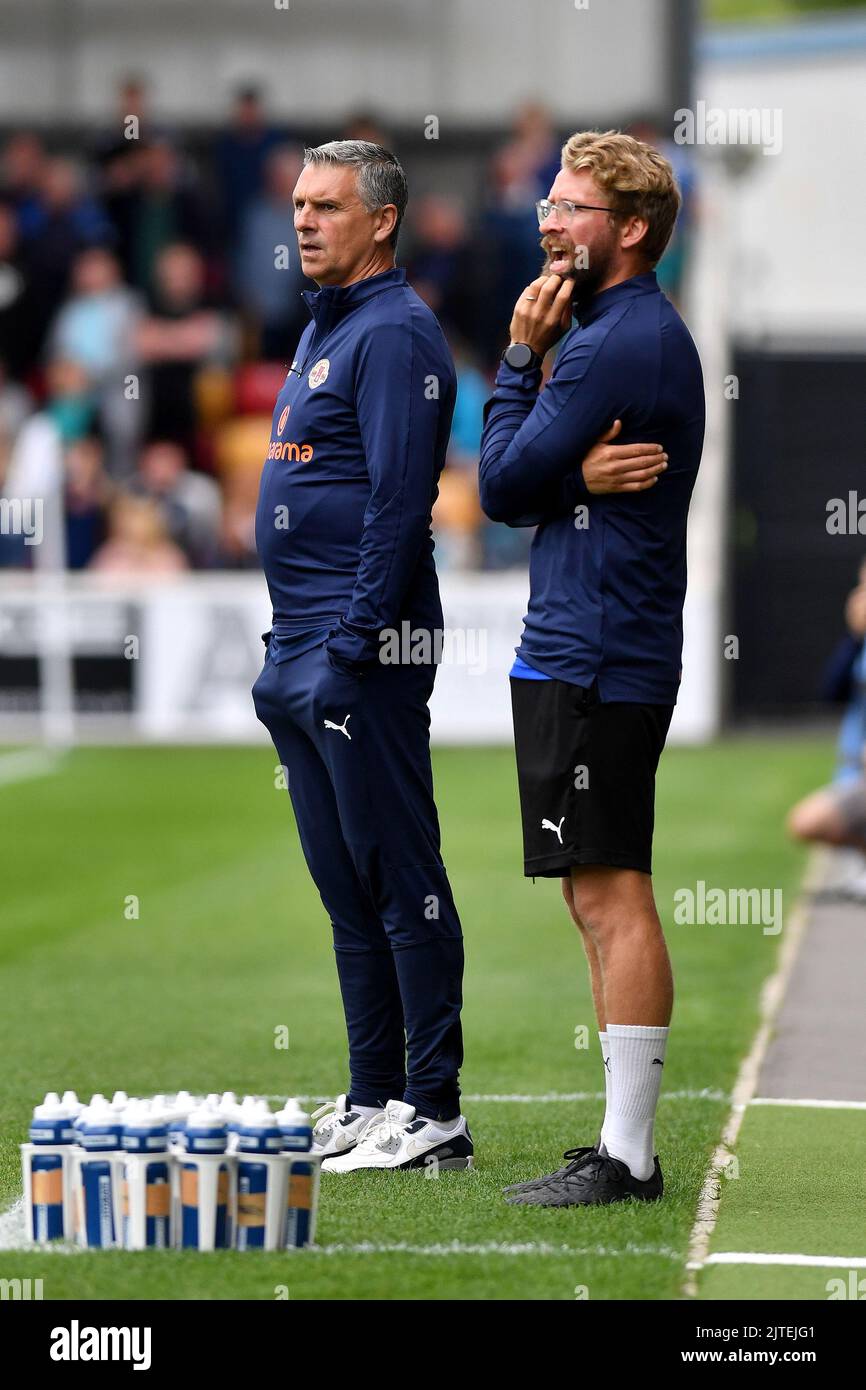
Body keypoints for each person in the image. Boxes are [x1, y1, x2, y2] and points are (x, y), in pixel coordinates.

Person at [479, 129, 705, 1208]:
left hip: (603, 649)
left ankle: (630, 1157)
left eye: (571, 206)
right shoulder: (602, 325)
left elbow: (498, 482)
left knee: (611, 890)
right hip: (577, 641)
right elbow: (531, 485)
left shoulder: (617, 338)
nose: (546, 218)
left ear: (630, 230)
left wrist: (519, 361)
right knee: (590, 891)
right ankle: (618, 1143)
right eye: (547, 199)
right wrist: (570, 472)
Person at [251, 141, 471, 1173]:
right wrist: (285, 642)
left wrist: (348, 642)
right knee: (345, 887)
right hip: (297, 646)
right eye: (298, 203)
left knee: (399, 876)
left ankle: (433, 1112)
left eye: (326, 205)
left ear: (381, 220)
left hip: (359, 649)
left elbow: (397, 503)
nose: (303, 220)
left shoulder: (395, 332)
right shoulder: (321, 326)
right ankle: (372, 1092)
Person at [787, 559, 866, 883]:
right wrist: (854, 638)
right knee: (804, 822)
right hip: (854, 772)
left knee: (809, 820)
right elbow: (830, 692)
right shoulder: (859, 645)